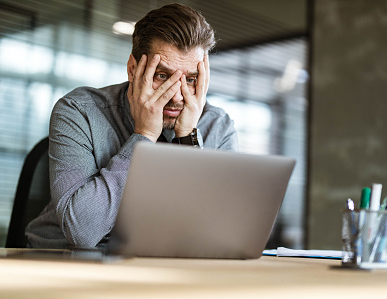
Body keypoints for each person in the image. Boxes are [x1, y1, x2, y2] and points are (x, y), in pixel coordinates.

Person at [25, 3, 238, 249]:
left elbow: (219, 235)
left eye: (190, 79)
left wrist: (187, 139)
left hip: (159, 266)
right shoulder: (79, 111)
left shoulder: (218, 127)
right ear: (133, 69)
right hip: (64, 261)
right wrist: (144, 136)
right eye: (162, 75)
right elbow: (81, 232)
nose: (178, 97)